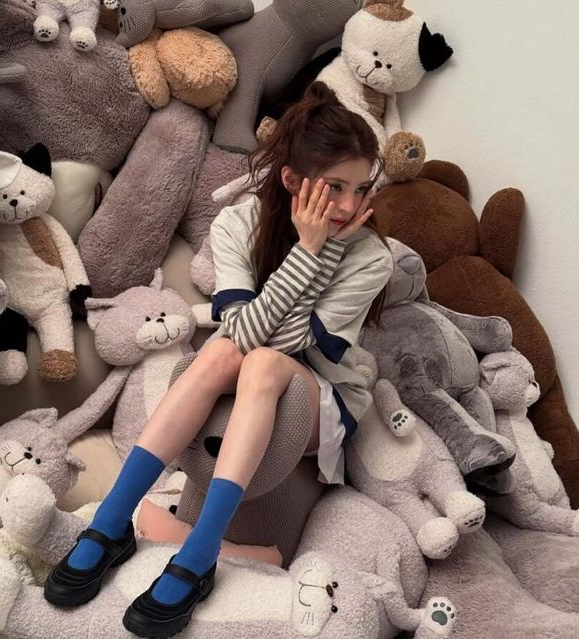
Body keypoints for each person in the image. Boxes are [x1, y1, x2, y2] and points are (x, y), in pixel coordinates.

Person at [42, 81, 393, 638]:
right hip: (250, 364)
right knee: (226, 350)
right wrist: (307, 256)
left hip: (324, 400)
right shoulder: (238, 223)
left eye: (360, 188)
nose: (350, 206)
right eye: (334, 188)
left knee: (260, 360)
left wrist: (315, 250)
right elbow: (242, 332)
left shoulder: (371, 256)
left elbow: (287, 345)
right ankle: (110, 523)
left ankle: (200, 551)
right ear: (291, 181)